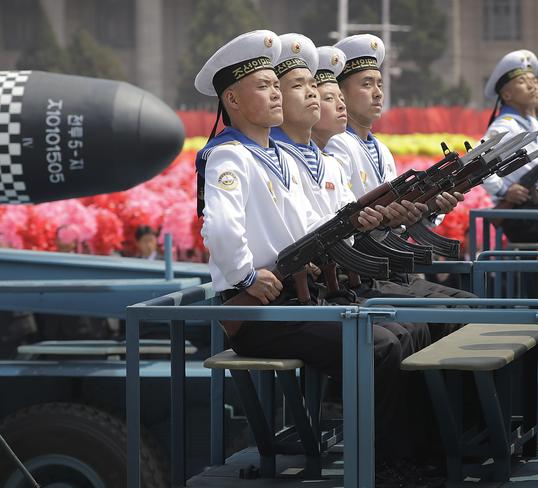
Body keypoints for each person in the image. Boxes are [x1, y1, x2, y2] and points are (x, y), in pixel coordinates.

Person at [195, 29, 422, 487]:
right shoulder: (228, 155)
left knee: (403, 329)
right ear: (233, 101)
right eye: (265, 86)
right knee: (378, 346)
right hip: (261, 311)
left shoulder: (274, 153)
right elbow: (219, 227)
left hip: (297, 297)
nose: (277, 93)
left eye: (277, 85)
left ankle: (409, 454)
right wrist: (243, 278)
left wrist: (339, 240)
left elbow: (313, 219)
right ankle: (382, 466)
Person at [269, 35, 429, 355]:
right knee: (391, 340)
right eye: (305, 88)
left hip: (334, 282)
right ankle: (344, 406)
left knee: (421, 325)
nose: (322, 99)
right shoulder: (269, 158)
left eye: (317, 90)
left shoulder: (327, 160)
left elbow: (339, 221)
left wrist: (420, 207)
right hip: (298, 291)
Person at [325, 34, 475, 341]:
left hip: (387, 265)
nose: (378, 93)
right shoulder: (338, 146)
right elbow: (347, 220)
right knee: (458, 313)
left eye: (379, 84)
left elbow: (399, 217)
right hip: (363, 272)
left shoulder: (379, 148)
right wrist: (388, 217)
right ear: (341, 93)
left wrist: (429, 208)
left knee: (467, 308)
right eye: (366, 84)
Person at [482, 50, 538, 243]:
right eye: (523, 82)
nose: (532, 86)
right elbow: (477, 164)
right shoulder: (504, 126)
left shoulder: (531, 123)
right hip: (523, 214)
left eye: (534, 81)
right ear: (506, 94)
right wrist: (504, 192)